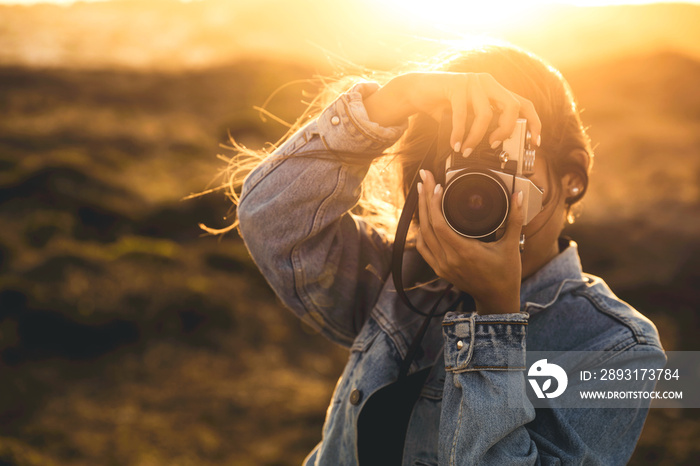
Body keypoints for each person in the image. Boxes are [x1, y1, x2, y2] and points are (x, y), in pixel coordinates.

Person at [229, 43, 665, 465]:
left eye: (507, 164)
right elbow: (272, 219)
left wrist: (496, 318)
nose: (481, 190)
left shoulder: (617, 348)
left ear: (571, 176)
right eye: (463, 168)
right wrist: (395, 99)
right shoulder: (402, 276)